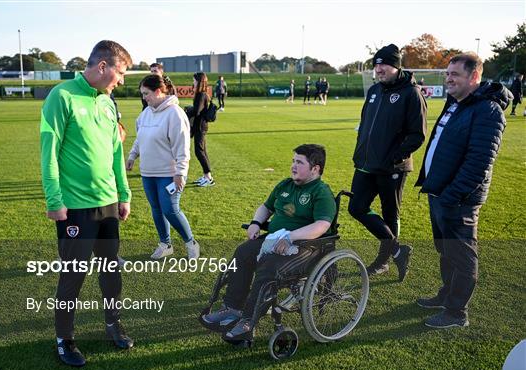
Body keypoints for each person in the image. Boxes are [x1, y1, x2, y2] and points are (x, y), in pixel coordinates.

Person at [40, 40, 133, 367]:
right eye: (120, 73)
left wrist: (123, 193)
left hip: (108, 203)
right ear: (103, 66)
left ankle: (113, 324)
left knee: (111, 271)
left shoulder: (108, 103)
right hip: (74, 207)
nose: (121, 80)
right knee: (73, 276)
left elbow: (116, 153)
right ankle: (65, 339)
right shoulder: (61, 96)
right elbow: (49, 152)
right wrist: (54, 200)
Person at [200, 144, 336, 344]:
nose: (293, 166)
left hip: (306, 247)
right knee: (243, 252)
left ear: (315, 169)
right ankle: (232, 308)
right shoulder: (285, 185)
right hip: (275, 240)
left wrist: (291, 237)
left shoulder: (321, 192)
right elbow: (266, 207)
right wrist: (256, 222)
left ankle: (248, 321)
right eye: (293, 161)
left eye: (299, 162)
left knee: (269, 266)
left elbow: (322, 225)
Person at [415, 52, 511, 328]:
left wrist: (452, 195)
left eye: (455, 74)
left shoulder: (487, 110)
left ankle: (457, 313)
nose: (448, 79)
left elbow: (479, 162)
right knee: (445, 250)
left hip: (459, 199)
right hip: (440, 193)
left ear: (475, 77)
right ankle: (446, 295)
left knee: (462, 254)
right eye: (447, 74)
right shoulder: (456, 102)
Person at [348, 43, 427, 281]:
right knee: (356, 207)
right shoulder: (374, 91)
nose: (379, 69)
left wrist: (395, 156)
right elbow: (365, 124)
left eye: (384, 64)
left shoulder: (411, 93)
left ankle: (383, 262)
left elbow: (418, 134)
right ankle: (397, 250)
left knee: (390, 213)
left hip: (393, 167)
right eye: (376, 64)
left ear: (396, 66)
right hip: (366, 163)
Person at [126, 74, 200, 260]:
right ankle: (165, 244)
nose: (144, 97)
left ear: (158, 91)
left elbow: (182, 147)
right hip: (147, 173)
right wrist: (132, 155)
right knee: (156, 209)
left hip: (169, 173)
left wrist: (180, 173)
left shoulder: (175, 113)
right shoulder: (145, 113)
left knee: (170, 209)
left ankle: (190, 242)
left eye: (146, 93)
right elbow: (140, 137)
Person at [189, 72, 215, 187]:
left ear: (199, 81)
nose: (193, 82)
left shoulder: (201, 94)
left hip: (200, 126)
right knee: (202, 151)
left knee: (199, 151)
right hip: (200, 125)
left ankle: (208, 178)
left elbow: (196, 111)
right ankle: (207, 176)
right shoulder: (202, 94)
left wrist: (187, 109)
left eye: (194, 80)